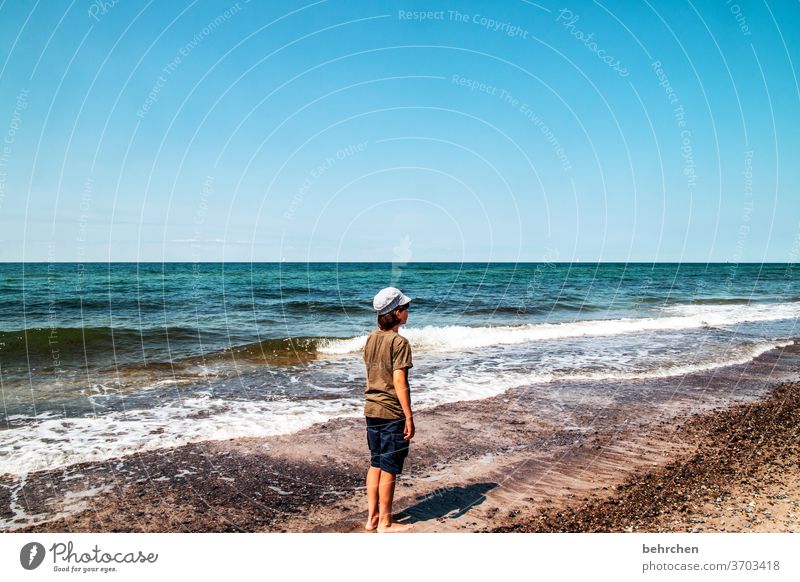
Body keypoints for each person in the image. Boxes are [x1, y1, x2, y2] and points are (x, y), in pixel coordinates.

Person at [363, 287, 415, 533]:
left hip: (371, 409)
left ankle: (371, 519)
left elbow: (368, 377)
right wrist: (409, 416)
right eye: (405, 308)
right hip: (391, 412)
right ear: (396, 313)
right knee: (390, 467)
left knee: (375, 464)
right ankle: (386, 521)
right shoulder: (399, 342)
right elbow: (399, 382)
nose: (407, 311)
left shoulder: (371, 339)